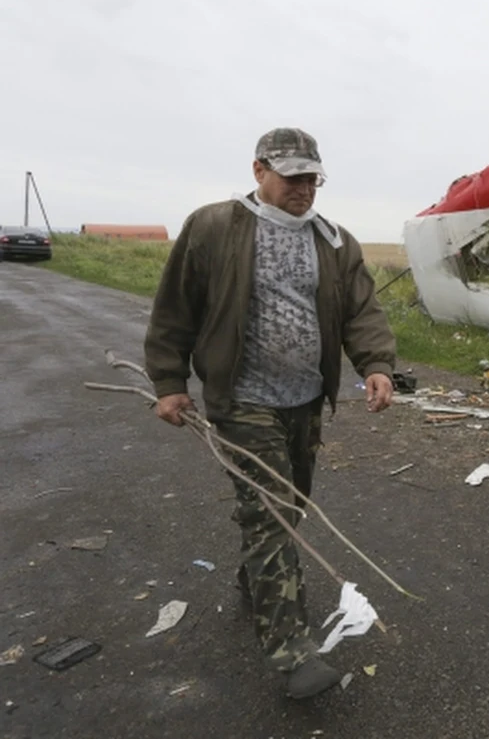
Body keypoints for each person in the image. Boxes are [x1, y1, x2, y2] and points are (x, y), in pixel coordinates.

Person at [143, 127, 397, 699]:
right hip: (243, 400)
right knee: (274, 515)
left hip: (304, 400)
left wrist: (377, 364)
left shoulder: (334, 241)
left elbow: (361, 312)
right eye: (293, 178)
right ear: (259, 171)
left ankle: (255, 577)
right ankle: (292, 653)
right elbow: (175, 308)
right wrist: (169, 382)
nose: (304, 190)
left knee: (291, 503)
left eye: (313, 180)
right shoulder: (214, 227)